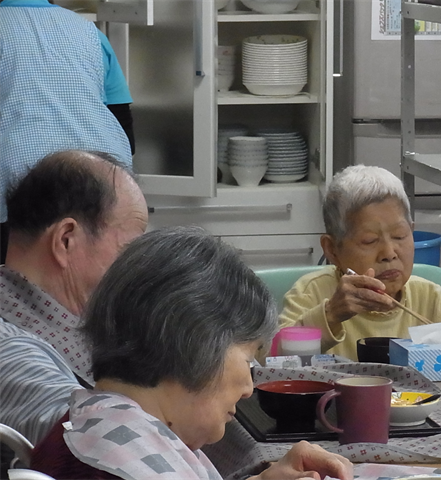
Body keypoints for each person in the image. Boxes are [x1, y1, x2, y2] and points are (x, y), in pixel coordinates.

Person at [31, 227, 353, 480]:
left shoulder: (96, 427)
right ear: (197, 346)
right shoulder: (120, 468)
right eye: (246, 358)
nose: (248, 388)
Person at [0, 150, 148, 445]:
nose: (137, 270)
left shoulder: (89, 318)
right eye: (129, 251)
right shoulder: (11, 348)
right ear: (66, 239)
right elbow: (96, 440)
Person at [279, 165, 441, 360]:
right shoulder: (312, 292)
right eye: (369, 241)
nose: (389, 253)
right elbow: (269, 362)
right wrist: (331, 315)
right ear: (332, 250)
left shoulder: (431, 299)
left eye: (399, 236)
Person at [0, 0, 135, 260]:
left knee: (17, 291)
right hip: (105, 184)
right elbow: (125, 130)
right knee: (99, 290)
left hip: (17, 189)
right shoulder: (89, 32)